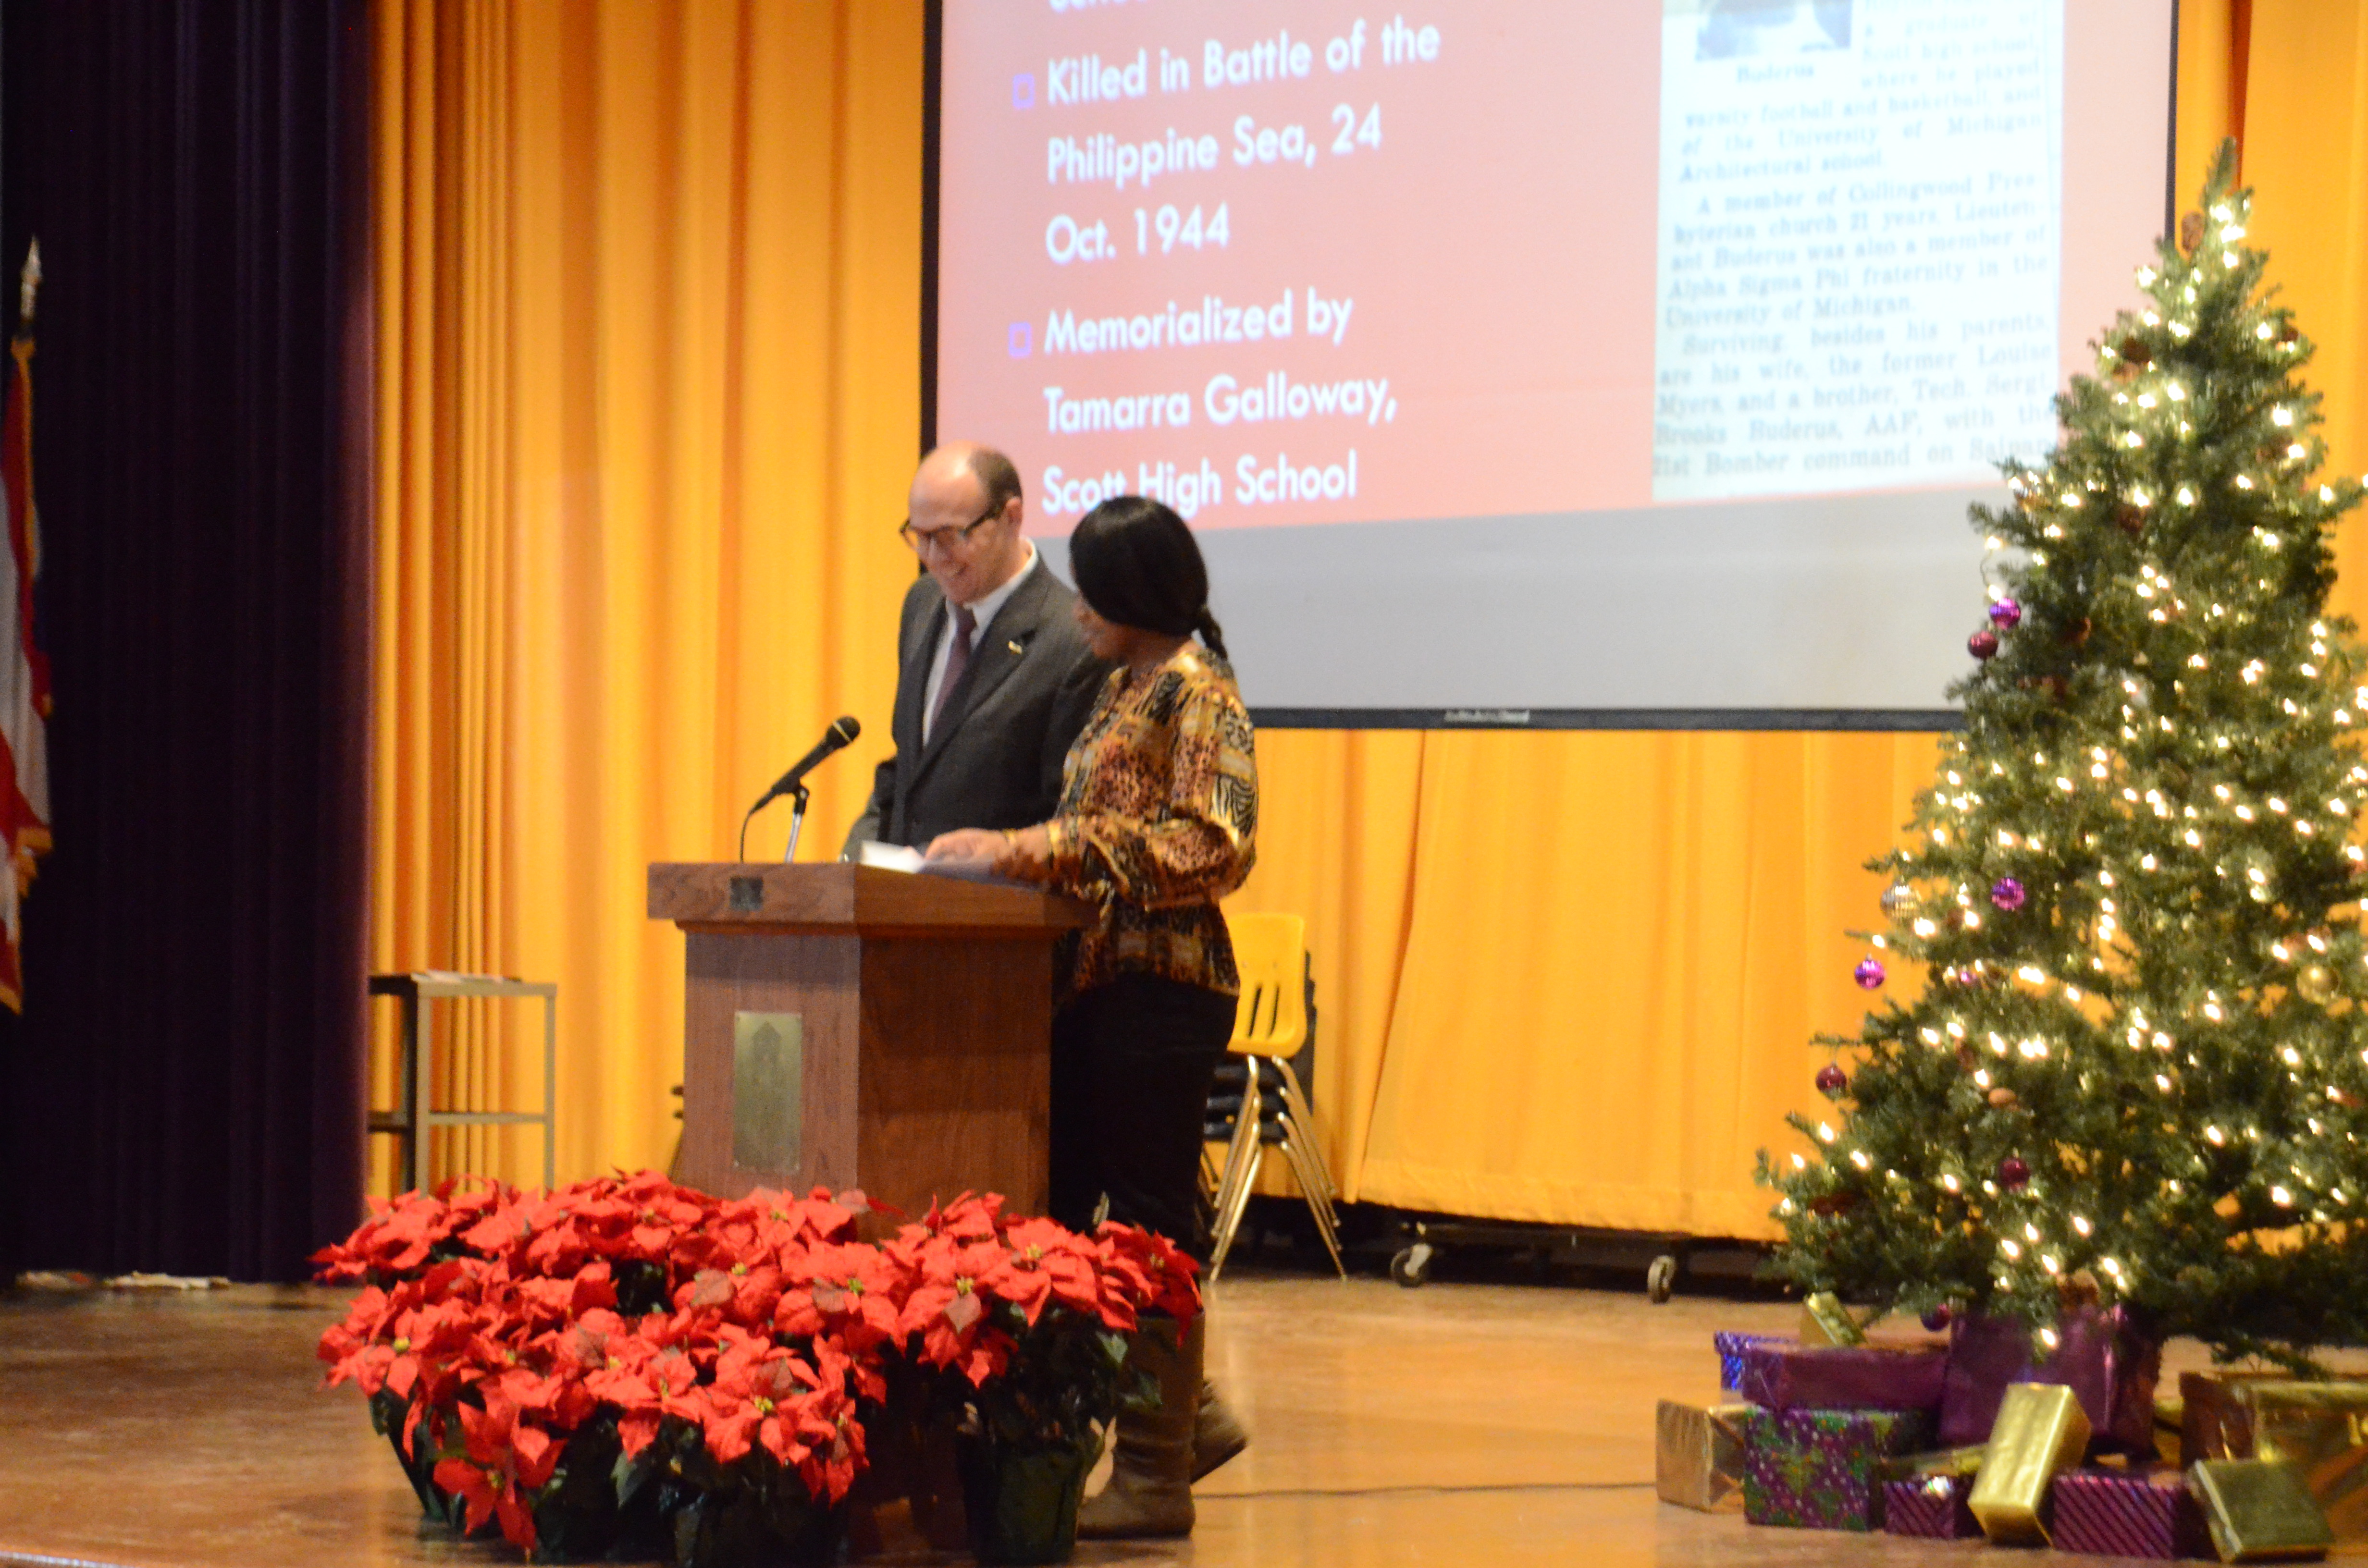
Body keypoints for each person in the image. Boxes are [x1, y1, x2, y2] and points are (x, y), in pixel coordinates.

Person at [925, 494, 1257, 1539]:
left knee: (1154, 1223)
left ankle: (1158, 1476)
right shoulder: (1123, 688)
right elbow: (1094, 822)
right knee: (1070, 1207)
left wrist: (1037, 849)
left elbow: (1217, 846)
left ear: (1141, 596)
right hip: (1093, 984)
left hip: (1164, 989)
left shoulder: (1198, 696)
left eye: (1097, 595)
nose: (1078, 614)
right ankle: (1182, 1415)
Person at [842, 443, 1109, 854]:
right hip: (902, 906)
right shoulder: (922, 604)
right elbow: (911, 770)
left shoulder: (1072, 638)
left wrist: (1000, 853)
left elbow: (1073, 820)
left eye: (950, 537)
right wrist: (852, 862)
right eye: (920, 536)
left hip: (998, 908)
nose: (933, 557)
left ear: (1011, 518)